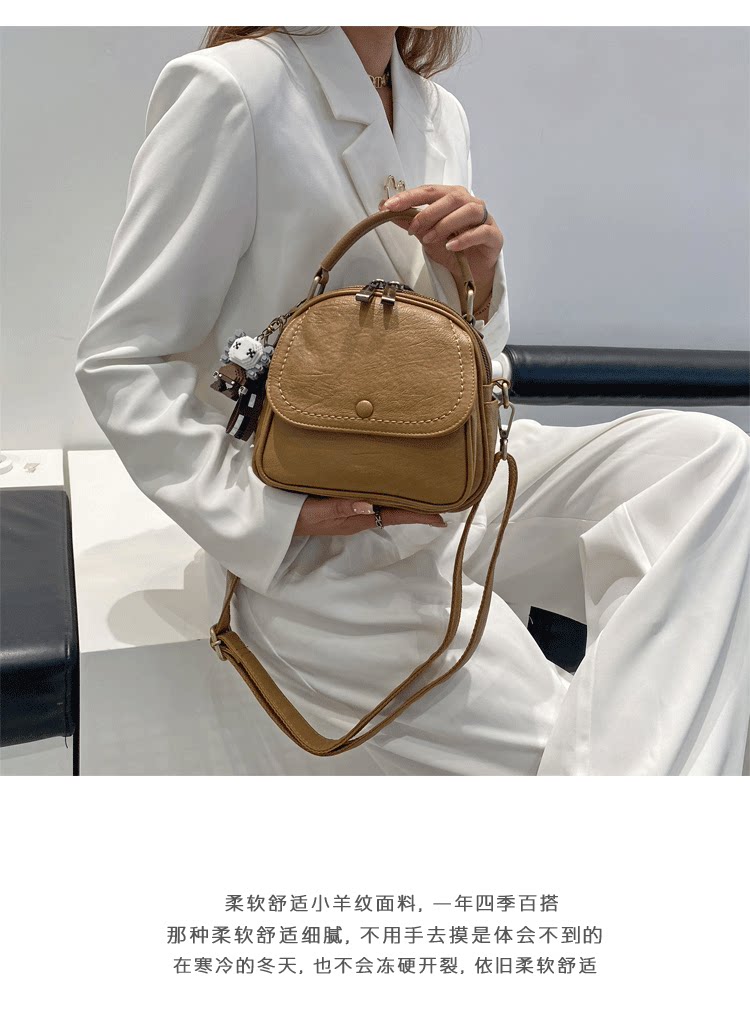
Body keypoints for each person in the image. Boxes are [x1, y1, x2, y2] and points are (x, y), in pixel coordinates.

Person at [75, 26, 750, 775]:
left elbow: (456, 352)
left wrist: (475, 280)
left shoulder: (437, 112)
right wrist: (268, 513)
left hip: (449, 472)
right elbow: (122, 359)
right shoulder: (233, 89)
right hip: (326, 535)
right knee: (593, 751)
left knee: (708, 459)